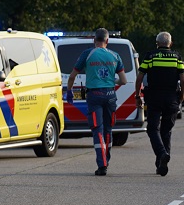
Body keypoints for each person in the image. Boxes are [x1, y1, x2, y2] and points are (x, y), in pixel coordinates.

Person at [66, 28, 128, 176]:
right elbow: (124, 81)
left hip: (94, 96)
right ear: (107, 41)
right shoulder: (115, 55)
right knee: (108, 129)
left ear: (94, 40)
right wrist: (112, 81)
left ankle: (102, 165)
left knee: (97, 130)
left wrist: (69, 91)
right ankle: (106, 160)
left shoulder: (87, 54)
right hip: (110, 95)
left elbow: (72, 76)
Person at [134, 32, 184, 176]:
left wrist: (138, 96)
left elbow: (139, 78)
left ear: (157, 43)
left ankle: (162, 154)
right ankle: (161, 163)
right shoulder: (177, 57)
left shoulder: (150, 57)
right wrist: (182, 95)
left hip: (154, 98)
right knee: (166, 131)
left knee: (152, 129)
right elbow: (182, 78)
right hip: (172, 98)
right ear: (170, 43)